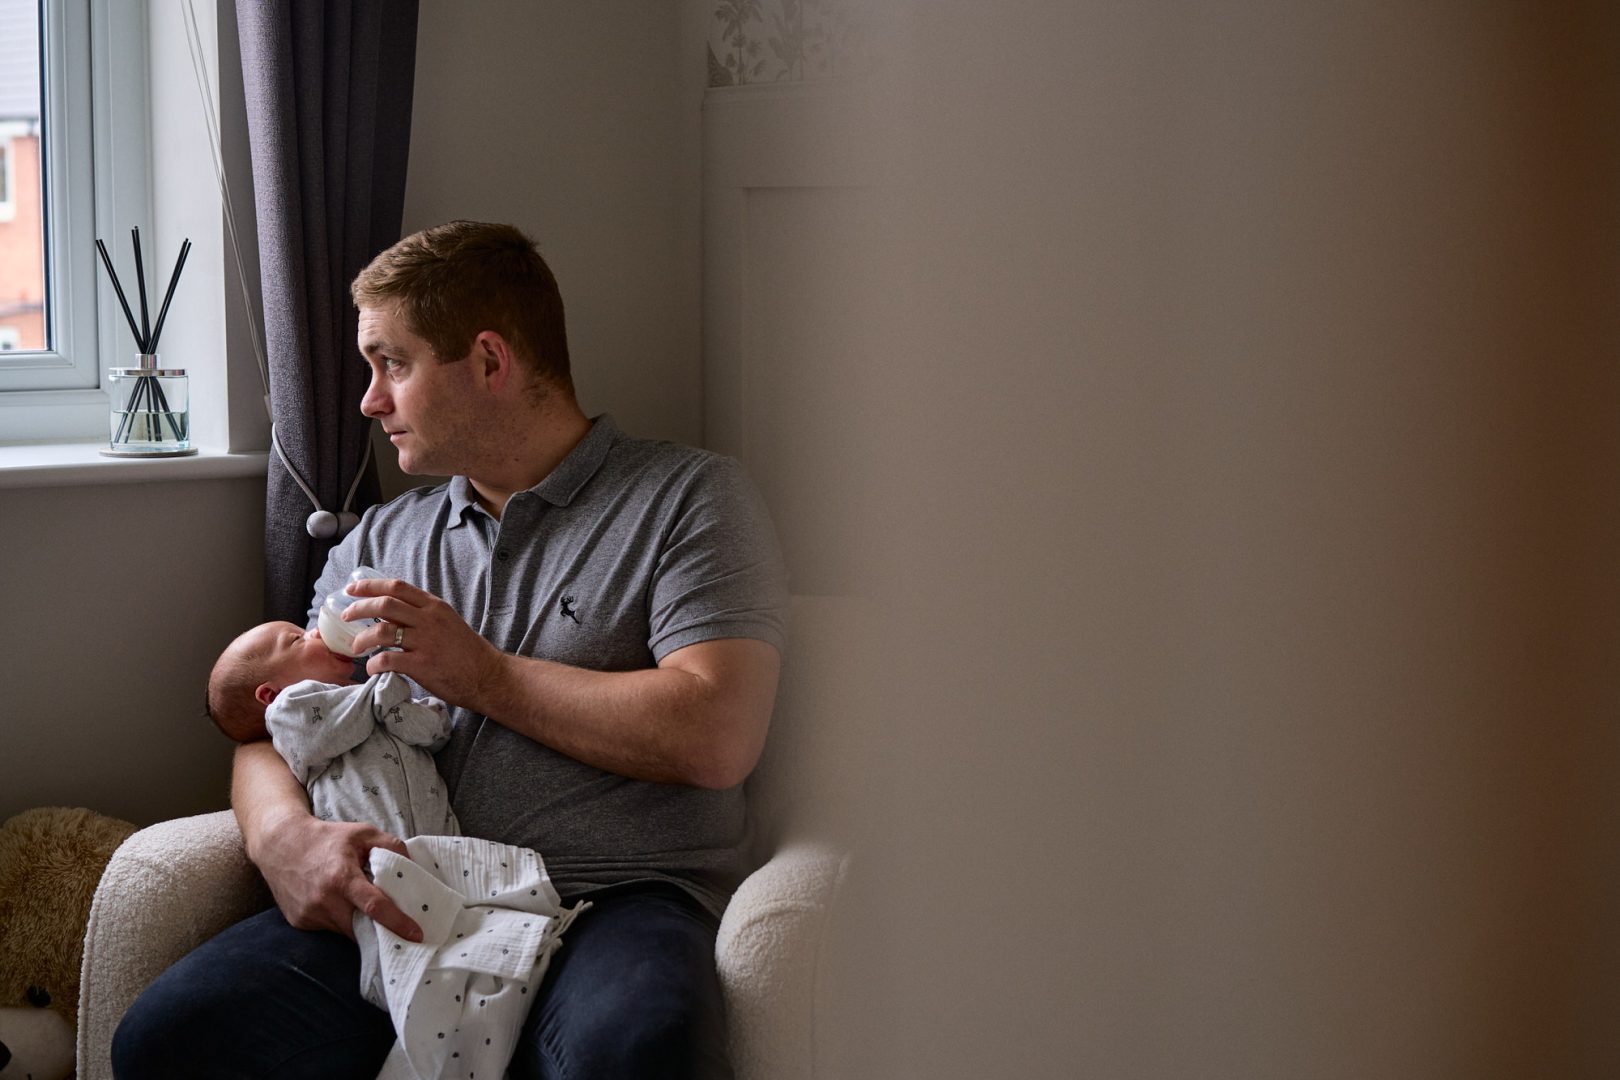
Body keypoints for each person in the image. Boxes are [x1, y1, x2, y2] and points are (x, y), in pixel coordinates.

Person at [113, 221, 787, 1080]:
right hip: (411, 894)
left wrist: (485, 675)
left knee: (640, 1047)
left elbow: (718, 732)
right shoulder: (383, 540)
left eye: (391, 363)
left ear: (490, 362)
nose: (368, 400)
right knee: (169, 1037)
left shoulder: (692, 501)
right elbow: (271, 722)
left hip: (619, 898)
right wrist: (284, 837)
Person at [206, 619, 585, 1080]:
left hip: (440, 850)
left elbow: (432, 733)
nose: (314, 633)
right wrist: (381, 690)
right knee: (405, 950)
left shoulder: (368, 697)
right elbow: (321, 734)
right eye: (296, 639)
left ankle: (476, 1018)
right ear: (269, 694)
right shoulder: (292, 712)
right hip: (374, 863)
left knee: (472, 946)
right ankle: (420, 1025)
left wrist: (413, 707)